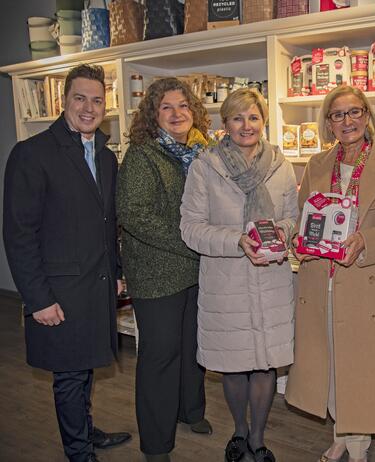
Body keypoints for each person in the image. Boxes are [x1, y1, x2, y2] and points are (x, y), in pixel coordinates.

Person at [3, 64, 131, 462]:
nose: (89, 107)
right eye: (80, 98)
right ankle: (78, 452)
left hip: (97, 285)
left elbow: (109, 225)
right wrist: (37, 299)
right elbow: (19, 233)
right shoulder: (32, 153)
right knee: (69, 375)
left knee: (86, 367)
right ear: (64, 101)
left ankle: (86, 431)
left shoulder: (107, 158)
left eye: (97, 99)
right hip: (58, 292)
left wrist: (118, 274)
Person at [284, 85, 375, 462]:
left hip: (366, 281)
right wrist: (297, 239)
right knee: (328, 361)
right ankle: (341, 432)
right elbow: (303, 219)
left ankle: (356, 445)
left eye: (355, 112)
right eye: (338, 115)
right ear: (329, 123)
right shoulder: (316, 166)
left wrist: (366, 240)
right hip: (321, 280)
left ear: (368, 116)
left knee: (359, 367)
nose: (348, 121)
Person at [180, 88, 297, 462]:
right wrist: (237, 240)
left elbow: (293, 217)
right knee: (233, 364)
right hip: (227, 279)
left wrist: (283, 231)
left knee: (264, 363)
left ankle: (258, 439)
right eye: (237, 118)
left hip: (272, 279)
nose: (246, 125)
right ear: (224, 123)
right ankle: (239, 433)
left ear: (264, 121)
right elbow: (191, 227)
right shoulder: (206, 166)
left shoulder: (281, 163)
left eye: (253, 117)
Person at [116, 78, 211, 462]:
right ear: (153, 115)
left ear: (194, 112)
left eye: (183, 106)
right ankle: (156, 443)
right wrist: (192, 239)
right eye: (167, 107)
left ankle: (190, 411)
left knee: (192, 348)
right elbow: (134, 215)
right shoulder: (142, 155)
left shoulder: (199, 153)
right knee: (160, 355)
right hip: (157, 274)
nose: (177, 114)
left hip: (194, 270)